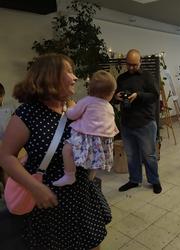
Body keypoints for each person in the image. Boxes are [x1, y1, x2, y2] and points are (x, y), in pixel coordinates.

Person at [0, 53, 111, 249]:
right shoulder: (28, 113)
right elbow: (6, 156)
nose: (75, 77)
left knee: (92, 244)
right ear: (50, 76)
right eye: (69, 71)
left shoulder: (72, 107)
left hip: (81, 196)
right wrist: (36, 188)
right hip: (49, 202)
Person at [53, 70, 119, 186]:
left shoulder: (87, 101)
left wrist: (67, 109)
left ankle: (69, 175)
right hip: (102, 142)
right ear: (111, 94)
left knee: (67, 149)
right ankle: (91, 177)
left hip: (86, 139)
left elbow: (72, 115)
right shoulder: (109, 107)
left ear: (90, 89)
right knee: (95, 161)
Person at [115, 49, 162, 194]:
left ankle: (154, 181)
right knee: (131, 155)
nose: (131, 68)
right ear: (125, 62)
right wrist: (116, 97)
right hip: (127, 123)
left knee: (149, 155)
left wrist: (138, 95)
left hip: (145, 123)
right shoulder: (121, 78)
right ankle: (134, 180)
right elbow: (114, 97)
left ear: (140, 62)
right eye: (129, 64)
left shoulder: (147, 76)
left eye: (134, 65)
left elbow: (155, 95)